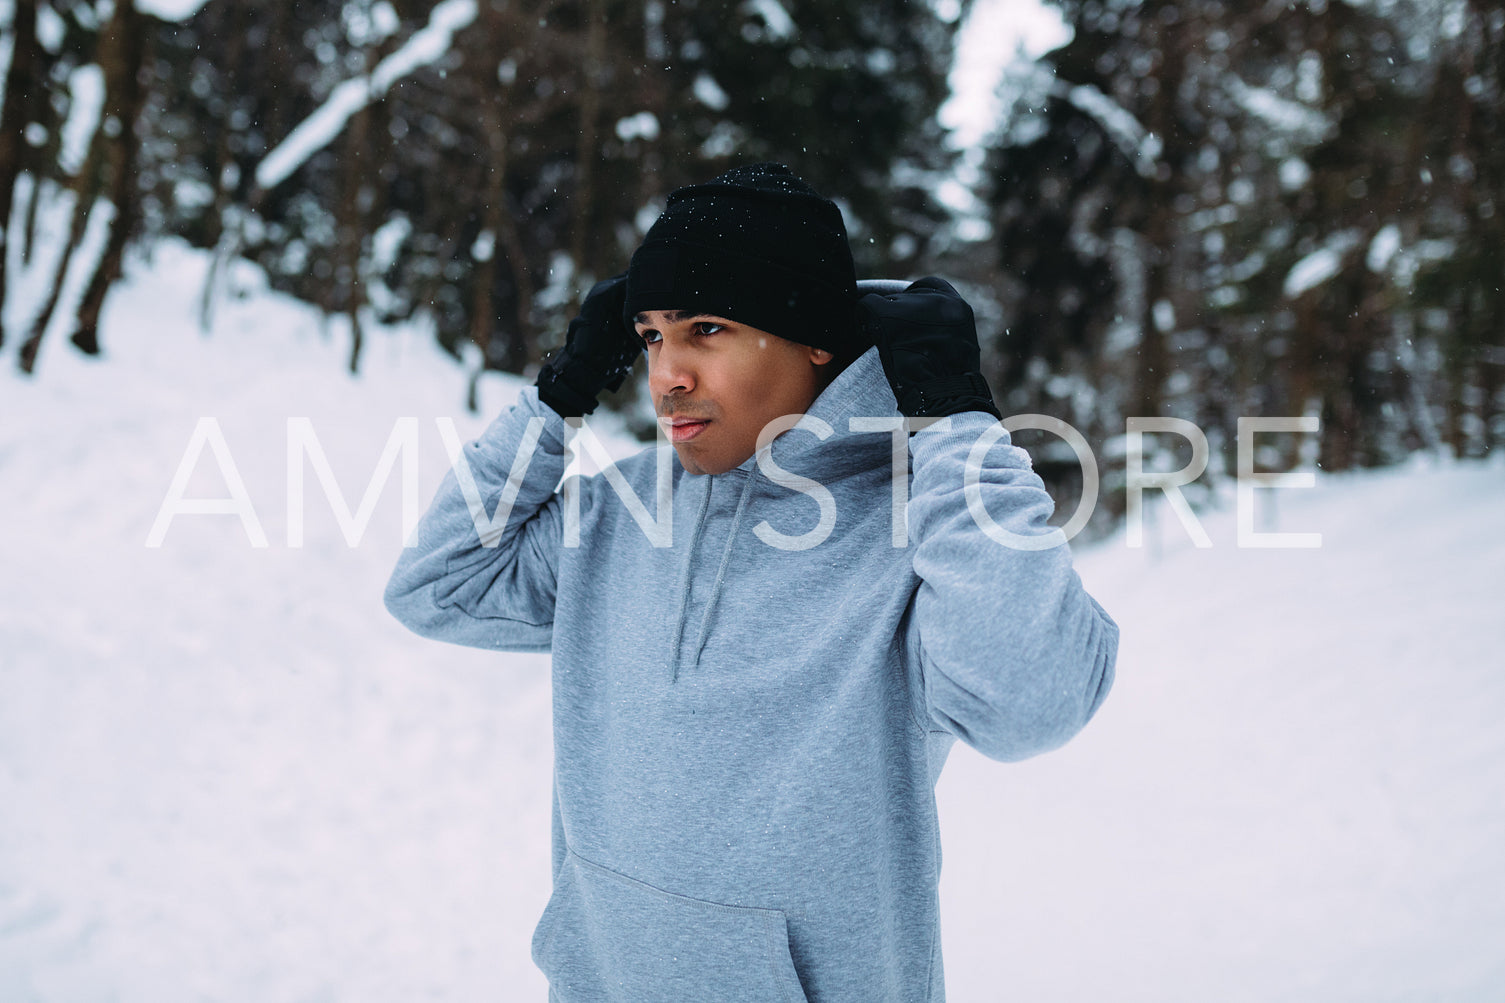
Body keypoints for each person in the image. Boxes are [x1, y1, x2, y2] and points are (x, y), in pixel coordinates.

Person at [384, 163, 1118, 1002]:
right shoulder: (620, 511)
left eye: (706, 329)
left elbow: (1033, 703)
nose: (667, 374)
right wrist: (556, 400)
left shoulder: (924, 528)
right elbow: (437, 585)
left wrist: (956, 422)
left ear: (814, 341)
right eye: (651, 335)